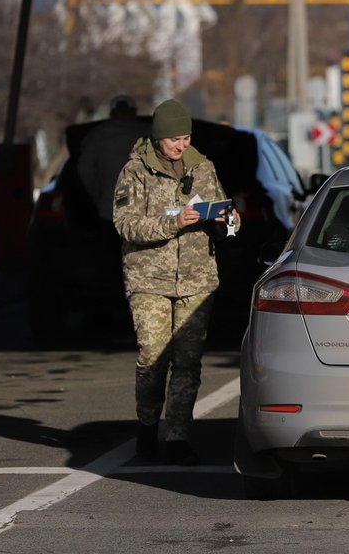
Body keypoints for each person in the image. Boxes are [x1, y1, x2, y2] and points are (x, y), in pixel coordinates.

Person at [112, 99, 239, 465]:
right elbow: (125, 224)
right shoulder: (135, 171)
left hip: (197, 279)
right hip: (149, 277)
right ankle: (147, 424)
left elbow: (221, 214)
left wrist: (229, 220)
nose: (181, 145)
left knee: (187, 361)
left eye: (186, 138)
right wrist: (174, 223)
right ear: (158, 138)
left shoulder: (203, 168)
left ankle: (178, 436)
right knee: (152, 356)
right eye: (174, 140)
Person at [77, 94, 145, 223]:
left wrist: (97, 195)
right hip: (144, 211)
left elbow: (84, 169)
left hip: (109, 210)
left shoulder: (97, 135)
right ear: (134, 111)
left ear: (112, 113)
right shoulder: (148, 132)